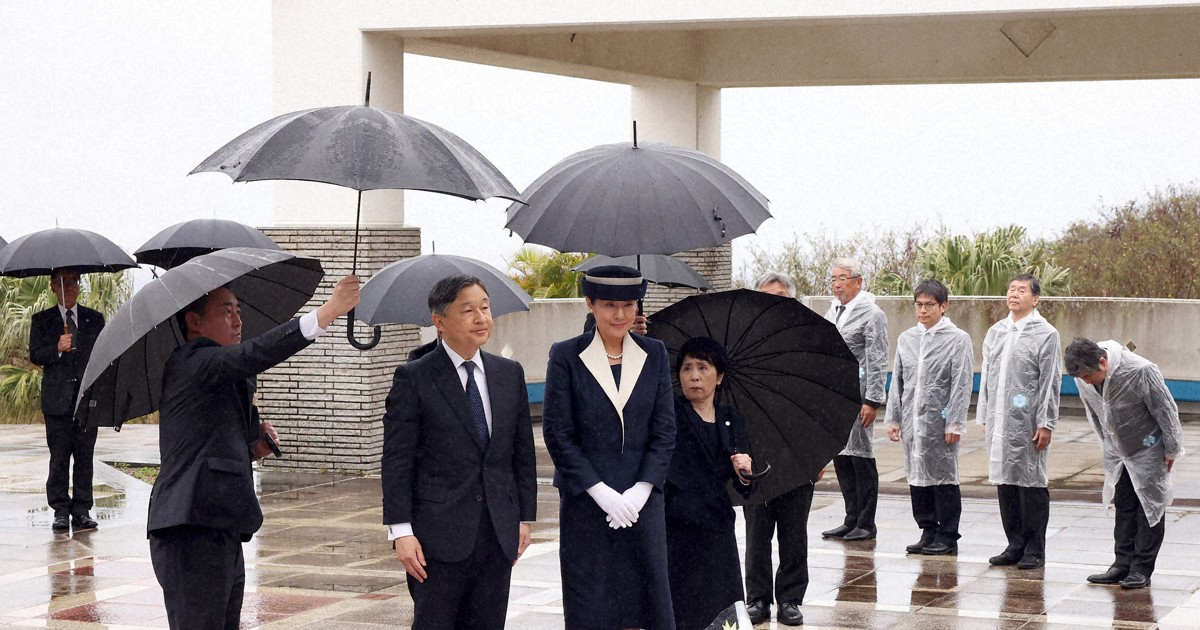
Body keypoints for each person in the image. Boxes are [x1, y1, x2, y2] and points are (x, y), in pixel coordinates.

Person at [147, 275, 360, 630]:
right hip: (190, 527)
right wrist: (329, 311)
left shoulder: (221, 371)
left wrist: (251, 443)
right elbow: (254, 354)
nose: (238, 320)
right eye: (226, 311)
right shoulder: (193, 361)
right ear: (194, 321)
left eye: (239, 311)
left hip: (221, 523)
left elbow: (212, 431)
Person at [382, 274, 538, 630]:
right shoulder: (415, 377)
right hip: (436, 539)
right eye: (468, 310)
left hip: (497, 534)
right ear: (440, 322)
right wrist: (401, 531)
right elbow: (397, 460)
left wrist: (524, 517)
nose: (481, 317)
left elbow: (521, 453)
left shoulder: (508, 373)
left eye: (485, 308)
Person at [542, 265, 676, 630]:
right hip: (588, 503)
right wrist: (601, 492)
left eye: (629, 305)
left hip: (642, 504)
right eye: (609, 305)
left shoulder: (655, 353)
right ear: (590, 304)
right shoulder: (567, 355)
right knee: (592, 600)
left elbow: (665, 430)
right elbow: (558, 433)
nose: (620, 315)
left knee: (647, 599)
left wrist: (642, 489)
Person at [1065, 338, 1184, 590]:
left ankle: (1141, 567)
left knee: (1149, 507)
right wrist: (1107, 447)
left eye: (1088, 375)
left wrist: (1172, 448)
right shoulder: (1082, 378)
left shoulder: (1140, 370)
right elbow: (1096, 414)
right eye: (1081, 377)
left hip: (1149, 445)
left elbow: (1166, 410)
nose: (1085, 381)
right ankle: (1122, 563)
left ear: (1102, 362)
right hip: (1118, 450)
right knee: (1124, 504)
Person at [664, 336, 754, 630]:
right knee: (684, 607)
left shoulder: (732, 418)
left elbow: (744, 487)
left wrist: (744, 470)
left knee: (722, 608)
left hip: (717, 528)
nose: (694, 376)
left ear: (720, 376)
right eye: (687, 368)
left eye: (703, 367)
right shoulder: (671, 413)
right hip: (679, 526)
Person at [741, 271, 815, 627]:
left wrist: (817, 456)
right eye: (767, 295)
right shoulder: (743, 346)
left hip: (798, 456)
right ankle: (756, 599)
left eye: (781, 295)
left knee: (793, 533)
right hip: (754, 456)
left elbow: (821, 407)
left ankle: (790, 599)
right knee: (756, 534)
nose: (774, 301)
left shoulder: (807, 343)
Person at [976, 273, 1061, 570]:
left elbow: (1050, 381)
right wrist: (984, 414)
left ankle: (1035, 548)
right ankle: (1014, 544)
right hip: (999, 420)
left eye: (1021, 290)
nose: (1014, 294)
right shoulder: (996, 331)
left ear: (1035, 299)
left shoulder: (1046, 334)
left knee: (1031, 483)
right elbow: (986, 377)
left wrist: (1045, 422)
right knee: (1005, 481)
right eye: (1011, 289)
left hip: (1028, 421)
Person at [885, 279, 974, 556]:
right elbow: (898, 381)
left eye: (929, 305)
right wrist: (894, 418)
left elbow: (961, 383)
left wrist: (955, 422)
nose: (922, 310)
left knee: (943, 478)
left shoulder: (957, 339)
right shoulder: (907, 339)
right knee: (916, 476)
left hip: (940, 420)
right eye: (919, 305)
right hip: (913, 419)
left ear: (943, 306)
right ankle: (927, 529)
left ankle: (948, 535)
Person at [29, 267, 104, 533]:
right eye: (63, 283)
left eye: (73, 282)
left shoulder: (95, 319)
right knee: (59, 457)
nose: (69, 287)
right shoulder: (42, 320)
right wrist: (57, 349)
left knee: (85, 457)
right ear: (52, 287)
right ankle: (60, 510)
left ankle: (82, 509)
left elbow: (102, 356)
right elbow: (35, 355)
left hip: (86, 401)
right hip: (57, 401)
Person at [821, 258, 889, 543]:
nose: (837, 284)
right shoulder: (833, 311)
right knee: (843, 456)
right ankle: (850, 518)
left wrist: (872, 399)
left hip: (860, 396)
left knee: (861, 457)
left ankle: (866, 521)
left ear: (858, 281)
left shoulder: (871, 314)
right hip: (836, 396)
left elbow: (877, 357)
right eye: (834, 279)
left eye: (843, 278)